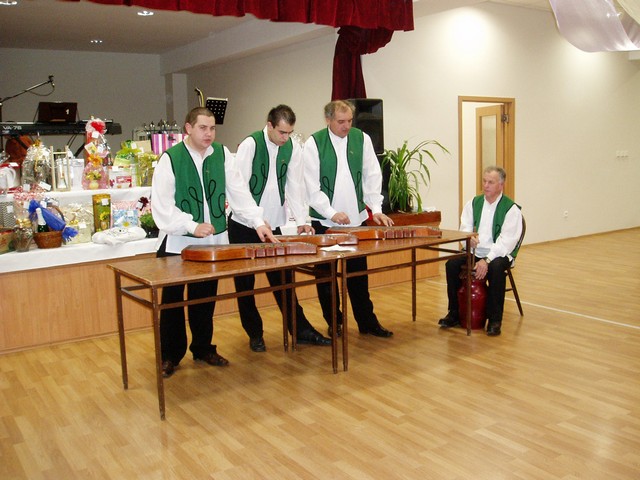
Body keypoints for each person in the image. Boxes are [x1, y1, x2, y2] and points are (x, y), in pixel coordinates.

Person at [151, 107, 275, 377]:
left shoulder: (222, 155)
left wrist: (258, 222)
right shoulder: (170, 159)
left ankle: (203, 347)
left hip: (213, 242)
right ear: (188, 128)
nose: (208, 133)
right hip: (177, 243)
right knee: (172, 302)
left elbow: (239, 193)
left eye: (212, 128)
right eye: (202, 128)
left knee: (205, 298)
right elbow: (162, 206)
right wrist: (191, 226)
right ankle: (170, 356)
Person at [229, 104, 331, 351]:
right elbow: (237, 188)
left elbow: (294, 186)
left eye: (289, 132)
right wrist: (255, 218)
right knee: (245, 285)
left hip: (272, 225)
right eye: (282, 132)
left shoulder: (292, 147)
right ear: (269, 125)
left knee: (284, 279)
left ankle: (300, 330)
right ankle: (255, 333)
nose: (285, 138)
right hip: (243, 225)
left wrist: (302, 220)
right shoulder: (251, 145)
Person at [303, 99, 394, 338]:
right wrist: (331, 212)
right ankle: (335, 321)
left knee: (358, 275)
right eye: (341, 121)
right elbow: (311, 186)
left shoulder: (361, 139)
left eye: (349, 121)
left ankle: (367, 322)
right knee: (326, 277)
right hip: (324, 223)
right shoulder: (314, 143)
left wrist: (376, 208)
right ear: (328, 120)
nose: (346, 126)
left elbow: (372, 175)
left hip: (356, 220)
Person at [438, 165, 523, 336]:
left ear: (501, 185)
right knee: (451, 265)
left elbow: (506, 243)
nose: (486, 185)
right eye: (484, 181)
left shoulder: (511, 209)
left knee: (496, 269)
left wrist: (487, 260)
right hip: (475, 251)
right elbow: (465, 228)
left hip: (498, 254)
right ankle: (454, 312)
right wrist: (469, 239)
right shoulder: (473, 203)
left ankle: (494, 319)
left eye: (491, 182)